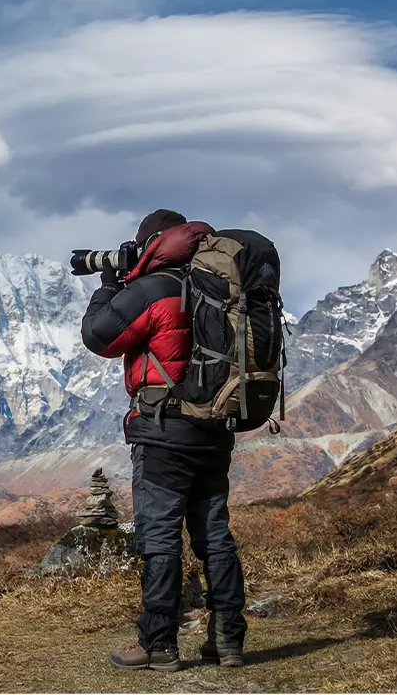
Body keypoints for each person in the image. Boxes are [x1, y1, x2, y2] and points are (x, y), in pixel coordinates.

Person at [80, 209, 248, 672]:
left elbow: (99, 337)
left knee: (159, 539)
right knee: (214, 536)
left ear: (153, 243)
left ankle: (158, 645)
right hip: (215, 431)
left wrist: (110, 285)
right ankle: (228, 640)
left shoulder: (155, 288)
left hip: (163, 434)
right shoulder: (226, 289)